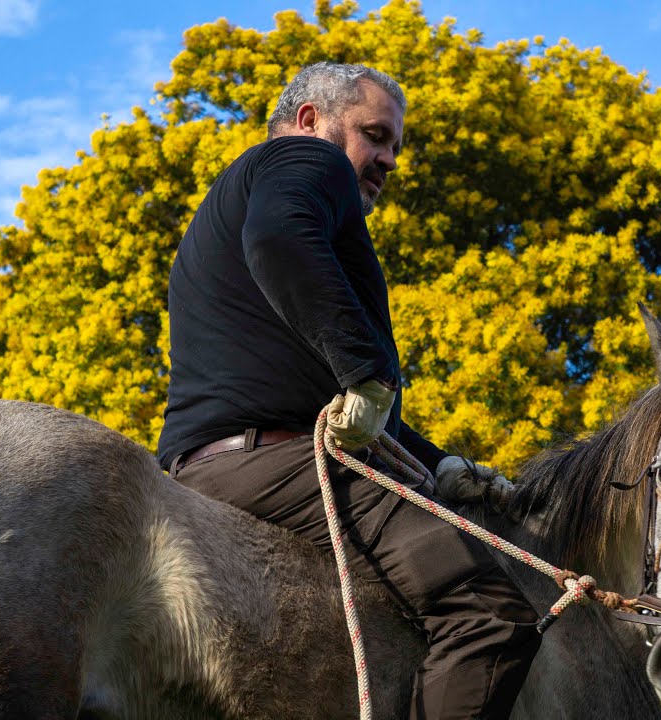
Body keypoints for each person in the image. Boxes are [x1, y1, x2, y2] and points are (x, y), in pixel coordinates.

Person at [156, 61, 538, 719]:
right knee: (488, 613)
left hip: (213, 464)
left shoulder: (245, 195)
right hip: (271, 465)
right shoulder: (307, 161)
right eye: (375, 135)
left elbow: (325, 395)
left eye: (393, 144)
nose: (388, 159)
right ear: (311, 120)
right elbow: (280, 240)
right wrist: (366, 371)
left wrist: (440, 463)